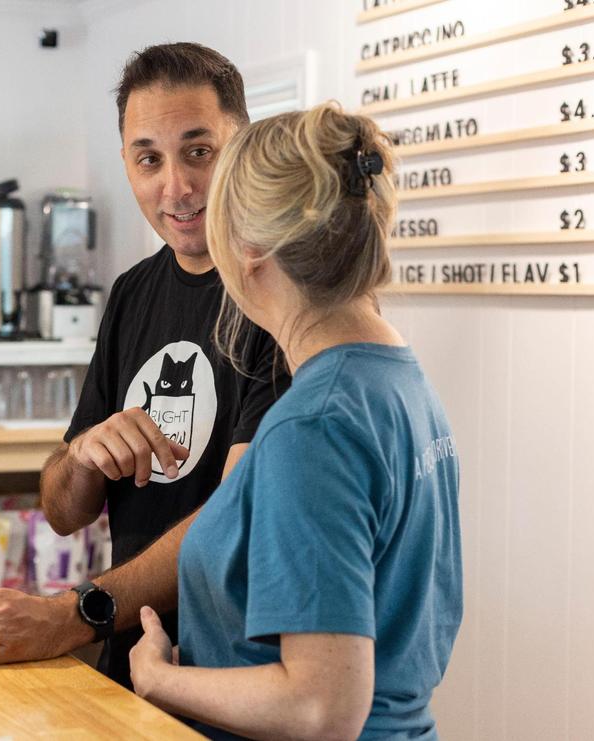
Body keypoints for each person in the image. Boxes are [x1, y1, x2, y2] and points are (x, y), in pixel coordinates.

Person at [0, 42, 290, 688]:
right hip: (132, 673)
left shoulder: (278, 296)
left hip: (237, 686)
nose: (176, 186)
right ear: (126, 163)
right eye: (149, 159)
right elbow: (62, 509)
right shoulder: (133, 293)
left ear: (242, 144)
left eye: (199, 151)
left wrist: (72, 614)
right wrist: (86, 454)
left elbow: (237, 519)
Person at [127, 103, 463, 739]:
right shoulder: (396, 379)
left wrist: (158, 678)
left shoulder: (314, 427)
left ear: (248, 249)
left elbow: (320, 707)